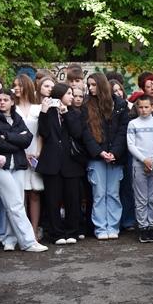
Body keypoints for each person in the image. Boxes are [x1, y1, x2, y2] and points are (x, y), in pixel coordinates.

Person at [0, 90, 46, 252]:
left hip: (17, 165)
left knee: (16, 203)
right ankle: (28, 242)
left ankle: (10, 239)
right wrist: (15, 139)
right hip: (0, 166)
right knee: (15, 203)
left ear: (12, 102)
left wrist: (7, 136)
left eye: (5, 99)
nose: (2, 102)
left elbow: (27, 139)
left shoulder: (18, 118)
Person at [35, 82, 88, 245]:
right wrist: (43, 112)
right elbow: (43, 133)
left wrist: (65, 114)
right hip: (52, 162)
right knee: (52, 200)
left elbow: (77, 133)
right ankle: (56, 233)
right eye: (69, 93)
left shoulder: (75, 113)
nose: (72, 97)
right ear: (60, 95)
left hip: (71, 163)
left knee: (73, 199)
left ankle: (72, 230)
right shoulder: (48, 112)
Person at [82, 73, 128, 240]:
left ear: (101, 85)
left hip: (115, 157)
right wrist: (100, 152)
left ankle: (113, 226)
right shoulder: (86, 105)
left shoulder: (119, 104)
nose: (90, 88)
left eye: (93, 85)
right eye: (89, 85)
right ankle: (101, 227)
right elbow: (86, 134)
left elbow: (123, 131)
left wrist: (114, 152)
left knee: (113, 193)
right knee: (99, 193)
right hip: (96, 157)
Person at [11, 73, 46, 240]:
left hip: (36, 153)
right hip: (18, 153)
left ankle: (33, 230)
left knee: (35, 192)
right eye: (14, 85)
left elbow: (42, 132)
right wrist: (22, 153)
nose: (16, 88)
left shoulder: (37, 108)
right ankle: (22, 231)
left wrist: (38, 152)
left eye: (19, 85)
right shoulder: (12, 109)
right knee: (20, 194)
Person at [126, 95, 153, 243]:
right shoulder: (133, 124)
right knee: (141, 197)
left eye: (147, 107)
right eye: (141, 107)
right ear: (137, 108)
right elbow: (131, 145)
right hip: (139, 165)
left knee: (152, 197)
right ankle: (143, 227)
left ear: (152, 107)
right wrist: (144, 160)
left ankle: (152, 226)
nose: (144, 110)